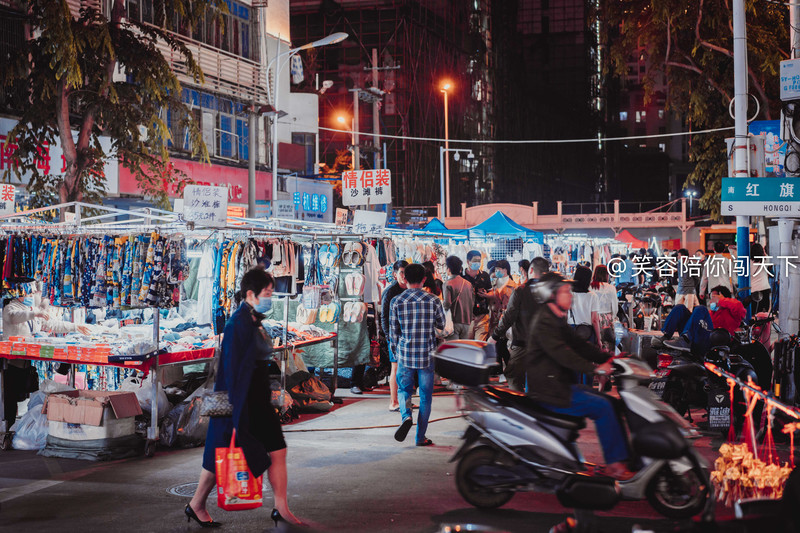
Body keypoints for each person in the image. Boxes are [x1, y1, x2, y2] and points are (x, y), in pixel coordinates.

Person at [188, 268, 302, 528]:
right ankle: (196, 504)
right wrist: (240, 415)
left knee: (277, 451)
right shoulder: (237, 323)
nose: (270, 297)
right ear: (251, 294)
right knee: (219, 456)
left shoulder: (253, 319)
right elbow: (234, 371)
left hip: (257, 401)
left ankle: (281, 508)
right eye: (267, 293)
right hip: (241, 404)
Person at [525, 273, 632, 480]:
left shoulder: (556, 318)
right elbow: (564, 355)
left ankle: (623, 458)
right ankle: (615, 465)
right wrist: (596, 369)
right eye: (566, 292)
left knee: (610, 402)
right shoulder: (544, 322)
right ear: (551, 295)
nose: (570, 295)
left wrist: (608, 358)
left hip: (560, 385)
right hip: (550, 391)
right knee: (603, 407)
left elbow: (579, 345)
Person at [2, 291, 92, 424]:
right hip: (11, 363)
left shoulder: (32, 309)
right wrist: (34, 313)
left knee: (22, 396)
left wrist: (75, 327)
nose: (32, 296)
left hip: (26, 362)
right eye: (31, 292)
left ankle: (20, 425)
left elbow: (51, 324)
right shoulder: (11, 308)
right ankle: (7, 428)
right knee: (11, 398)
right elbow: (12, 317)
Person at [389, 263, 445, 447]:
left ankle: (406, 416)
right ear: (423, 279)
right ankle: (420, 437)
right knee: (425, 397)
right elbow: (441, 325)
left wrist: (396, 351)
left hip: (405, 354)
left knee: (404, 390)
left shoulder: (396, 301)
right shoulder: (434, 300)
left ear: (404, 279)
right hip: (426, 355)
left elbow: (393, 332)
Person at [489, 257, 549, 391]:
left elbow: (509, 317)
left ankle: (519, 407)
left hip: (523, 345)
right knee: (538, 381)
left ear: (531, 270)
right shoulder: (553, 292)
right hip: (545, 346)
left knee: (513, 376)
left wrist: (495, 336)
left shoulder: (521, 291)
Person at [662, 286, 746, 353]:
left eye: (714, 297)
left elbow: (739, 308)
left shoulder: (733, 313)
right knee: (680, 308)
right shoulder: (709, 313)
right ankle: (666, 336)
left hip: (715, 343)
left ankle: (686, 340)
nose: (711, 301)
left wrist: (721, 300)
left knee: (701, 308)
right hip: (699, 339)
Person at [381, 260, 408, 411]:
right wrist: (388, 336)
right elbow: (384, 316)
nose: (404, 276)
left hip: (408, 335)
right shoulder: (390, 291)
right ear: (394, 274)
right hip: (395, 336)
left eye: (406, 272)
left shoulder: (410, 288)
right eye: (401, 272)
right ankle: (393, 402)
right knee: (396, 368)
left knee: (406, 370)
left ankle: (406, 401)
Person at [568, 265, 602, 348]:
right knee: (588, 357)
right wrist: (599, 339)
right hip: (587, 332)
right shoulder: (593, 296)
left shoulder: (569, 294)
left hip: (571, 330)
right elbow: (594, 320)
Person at [442, 256, 474, 340]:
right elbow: (472, 302)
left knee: (453, 351)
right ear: (460, 269)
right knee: (463, 350)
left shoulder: (448, 284)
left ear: (448, 269)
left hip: (453, 322)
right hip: (467, 322)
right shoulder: (468, 284)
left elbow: (447, 304)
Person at [463, 250, 492, 341]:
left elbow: (491, 292)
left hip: (482, 317)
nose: (478, 263)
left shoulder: (485, 276)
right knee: (467, 346)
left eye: (479, 261)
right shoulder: (462, 277)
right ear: (468, 262)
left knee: (480, 346)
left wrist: (486, 295)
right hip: (466, 319)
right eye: (475, 261)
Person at [589, 264, 618, 351]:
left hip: (592, 317)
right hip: (607, 319)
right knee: (608, 344)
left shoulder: (590, 286)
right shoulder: (611, 288)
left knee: (593, 343)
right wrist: (613, 318)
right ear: (606, 274)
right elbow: (615, 307)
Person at [749, 243, 771, 315]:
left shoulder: (749, 262)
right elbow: (765, 255)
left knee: (754, 312)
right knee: (764, 314)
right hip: (765, 288)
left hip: (754, 290)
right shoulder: (766, 259)